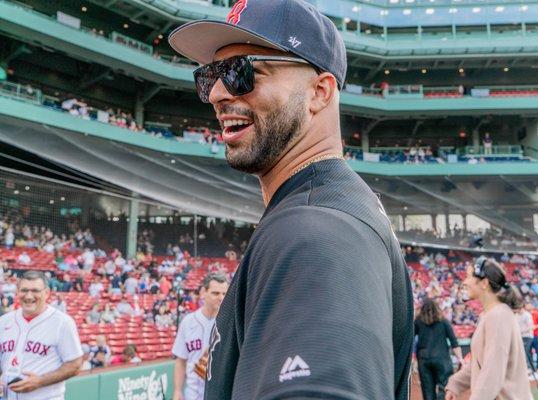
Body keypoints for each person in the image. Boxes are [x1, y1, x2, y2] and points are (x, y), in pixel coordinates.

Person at [168, 1, 414, 398]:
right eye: (210, 75)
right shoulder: (331, 207)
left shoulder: (316, 231)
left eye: (242, 72)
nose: (215, 93)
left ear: (319, 92)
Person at [445, 258, 531, 400]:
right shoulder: (489, 315)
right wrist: (455, 384)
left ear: (484, 283)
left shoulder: (498, 316)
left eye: (468, 276)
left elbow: (493, 371)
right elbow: (481, 364)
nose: (464, 282)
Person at [0, 270, 83, 399]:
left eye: (35, 291)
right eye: (24, 290)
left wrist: (40, 381)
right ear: (17, 292)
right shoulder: (4, 321)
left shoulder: (62, 322)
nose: (28, 296)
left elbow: (75, 365)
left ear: (46, 293)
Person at [172, 273, 228, 400]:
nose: (221, 298)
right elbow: (181, 361)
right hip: (193, 393)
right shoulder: (188, 322)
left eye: (224, 294)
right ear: (204, 292)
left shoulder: (230, 324)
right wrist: (177, 391)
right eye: (215, 293)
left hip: (220, 393)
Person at [414, 298, 463, 400]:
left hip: (424, 360)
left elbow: (410, 339)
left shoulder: (418, 322)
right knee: (444, 388)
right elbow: (454, 342)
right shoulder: (443, 321)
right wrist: (460, 359)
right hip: (442, 359)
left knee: (428, 391)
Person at [515, 302, 536, 380]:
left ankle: (529, 371)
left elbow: (531, 327)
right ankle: (533, 370)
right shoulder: (516, 315)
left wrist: (521, 331)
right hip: (520, 337)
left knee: (524, 352)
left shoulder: (527, 315)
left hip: (527, 336)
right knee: (527, 353)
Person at [527, 303, 538, 375]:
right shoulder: (525, 315)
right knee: (529, 353)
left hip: (535, 336)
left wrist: (535, 326)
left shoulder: (536, 314)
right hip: (527, 336)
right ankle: (531, 368)